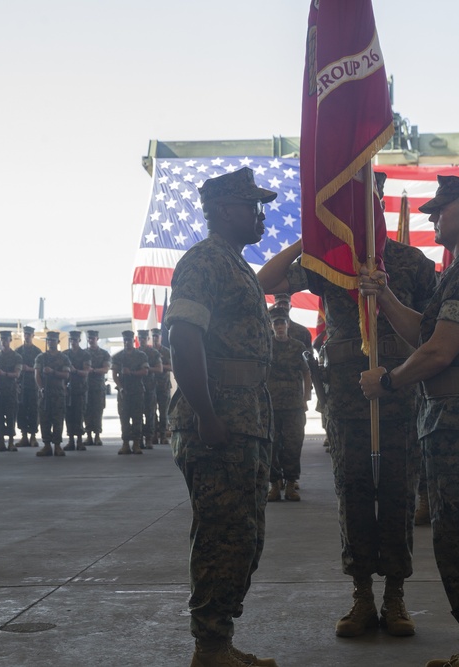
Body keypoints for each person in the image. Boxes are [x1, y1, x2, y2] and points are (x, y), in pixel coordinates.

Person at [258, 173, 437, 639]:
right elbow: (267, 281)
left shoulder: (410, 262)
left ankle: (395, 596)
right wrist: (309, 238)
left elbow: (430, 328)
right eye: (350, 201)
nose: (362, 208)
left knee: (398, 489)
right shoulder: (330, 259)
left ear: (377, 199)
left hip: (397, 389)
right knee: (353, 488)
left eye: (367, 198)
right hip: (345, 390)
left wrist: (387, 292)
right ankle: (362, 594)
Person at [358, 175, 459, 667]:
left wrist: (389, 383)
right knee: (456, 530)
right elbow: (426, 332)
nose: (432, 217)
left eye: (441, 210)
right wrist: (384, 297)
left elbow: (438, 351)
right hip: (452, 415)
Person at [164, 167, 278, 667]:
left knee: (243, 534)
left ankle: (220, 642)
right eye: (253, 206)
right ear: (226, 210)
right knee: (220, 535)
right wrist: (206, 414)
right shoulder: (204, 262)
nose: (261, 214)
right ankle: (209, 649)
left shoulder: (233, 264)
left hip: (243, 416)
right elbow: (183, 341)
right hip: (220, 419)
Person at [265, 306, 311, 502]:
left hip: (294, 404)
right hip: (272, 404)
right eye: (276, 323)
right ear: (272, 326)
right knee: (272, 446)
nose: (280, 326)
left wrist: (306, 397)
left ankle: (291, 484)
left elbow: (306, 372)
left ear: (288, 325)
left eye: (282, 323)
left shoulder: (298, 347)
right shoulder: (266, 347)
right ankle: (274, 485)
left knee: (293, 444)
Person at [34, 331, 71, 457]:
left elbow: (66, 375)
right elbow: (37, 375)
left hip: (58, 393)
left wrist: (53, 372)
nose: (50, 342)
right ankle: (47, 445)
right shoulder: (41, 357)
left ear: (58, 342)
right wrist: (41, 388)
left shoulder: (64, 358)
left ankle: (57, 445)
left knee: (57, 420)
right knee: (44, 420)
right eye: (48, 340)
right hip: (45, 394)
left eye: (53, 340)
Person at [111, 330, 148, 455]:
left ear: (133, 340)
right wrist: (120, 388)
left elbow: (145, 372)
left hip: (137, 391)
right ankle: (125, 443)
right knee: (124, 418)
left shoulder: (141, 355)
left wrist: (131, 373)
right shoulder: (117, 356)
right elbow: (114, 375)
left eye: (129, 340)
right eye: (125, 340)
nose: (127, 342)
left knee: (137, 417)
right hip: (124, 392)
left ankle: (136, 443)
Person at [0, 330, 22, 452]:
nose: (4, 342)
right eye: (2, 339)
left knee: (10, 416)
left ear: (10, 340)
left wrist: (4, 374)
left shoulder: (16, 357)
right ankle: (1, 442)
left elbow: (17, 374)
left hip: (10, 390)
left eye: (6, 339)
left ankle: (10, 442)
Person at [63, 330, 91, 451]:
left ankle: (79, 440)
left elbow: (86, 372)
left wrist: (74, 371)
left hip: (80, 389)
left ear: (79, 340)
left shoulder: (85, 355)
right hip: (67, 390)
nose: (73, 342)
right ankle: (70, 440)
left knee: (79, 414)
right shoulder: (65, 354)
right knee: (68, 415)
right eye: (71, 340)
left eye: (75, 340)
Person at [15, 325, 42, 447]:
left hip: (33, 385)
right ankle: (24, 435)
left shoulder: (37, 352)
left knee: (34, 410)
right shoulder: (18, 351)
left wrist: (30, 369)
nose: (26, 336)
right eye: (25, 334)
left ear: (33, 336)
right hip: (21, 386)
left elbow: (40, 370)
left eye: (29, 334)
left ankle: (33, 436)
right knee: (21, 410)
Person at [84, 330, 111, 446]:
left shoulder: (104, 354)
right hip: (85, 387)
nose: (91, 340)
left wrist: (93, 370)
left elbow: (106, 369)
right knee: (86, 411)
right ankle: (88, 435)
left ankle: (97, 436)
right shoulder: (83, 353)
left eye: (93, 338)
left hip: (98, 387)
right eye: (89, 338)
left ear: (97, 338)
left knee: (98, 411)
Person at [137, 329, 162, 450]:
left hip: (150, 387)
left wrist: (146, 369)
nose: (142, 340)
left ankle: (149, 438)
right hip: (137, 388)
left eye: (144, 338)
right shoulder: (134, 353)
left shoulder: (153, 353)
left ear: (148, 339)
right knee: (138, 414)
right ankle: (139, 438)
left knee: (150, 414)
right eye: (140, 338)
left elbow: (159, 369)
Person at [151, 328, 171, 445]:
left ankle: (163, 435)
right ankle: (153, 434)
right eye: (153, 336)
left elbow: (172, 367)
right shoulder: (147, 352)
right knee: (151, 412)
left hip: (163, 386)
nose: (155, 338)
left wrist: (159, 367)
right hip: (151, 386)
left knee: (164, 412)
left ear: (160, 338)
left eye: (157, 336)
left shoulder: (166, 352)